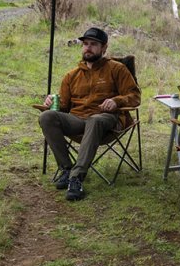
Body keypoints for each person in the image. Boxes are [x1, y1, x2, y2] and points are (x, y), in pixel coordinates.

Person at [39, 27, 141, 201]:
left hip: (107, 118)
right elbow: (63, 106)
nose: (88, 48)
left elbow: (135, 96)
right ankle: (66, 169)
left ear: (104, 48)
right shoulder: (72, 76)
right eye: (85, 44)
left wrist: (116, 101)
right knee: (46, 117)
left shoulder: (117, 69)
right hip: (78, 119)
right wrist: (50, 102)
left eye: (93, 44)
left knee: (94, 120)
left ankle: (76, 178)